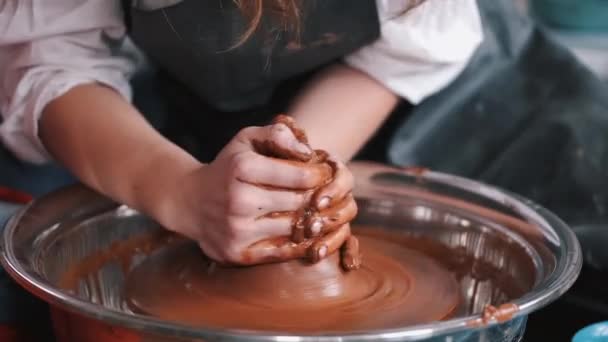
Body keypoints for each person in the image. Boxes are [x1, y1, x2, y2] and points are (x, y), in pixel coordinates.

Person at [0, 0, 484, 339]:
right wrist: (177, 189)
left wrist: (291, 178)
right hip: (150, 101)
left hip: (401, 90)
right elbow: (52, 57)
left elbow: (406, 50)